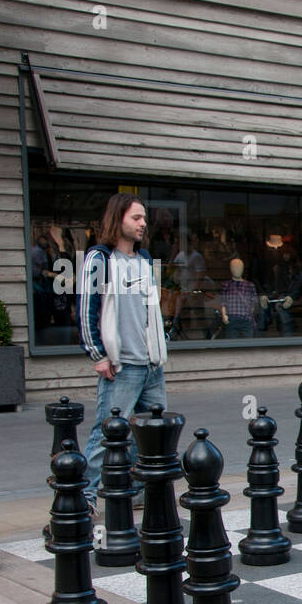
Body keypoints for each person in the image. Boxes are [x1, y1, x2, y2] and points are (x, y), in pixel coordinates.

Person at [78, 192, 169, 512]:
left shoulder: (144, 260)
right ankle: (82, 498)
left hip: (151, 366)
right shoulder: (100, 259)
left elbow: (150, 312)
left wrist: (159, 347)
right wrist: (98, 355)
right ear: (118, 219)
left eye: (144, 218)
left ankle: (140, 492)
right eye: (136, 218)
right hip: (122, 366)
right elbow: (87, 309)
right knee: (106, 433)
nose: (143, 224)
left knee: (155, 436)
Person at [218, 258, 258, 339]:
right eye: (234, 267)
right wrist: (224, 315)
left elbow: (253, 304)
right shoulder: (226, 285)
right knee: (232, 343)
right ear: (230, 269)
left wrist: (250, 315)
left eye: (239, 267)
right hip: (232, 319)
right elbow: (223, 303)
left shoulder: (250, 285)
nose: (236, 269)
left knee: (248, 343)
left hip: (246, 319)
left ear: (243, 269)